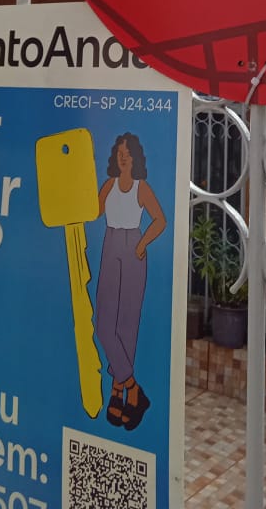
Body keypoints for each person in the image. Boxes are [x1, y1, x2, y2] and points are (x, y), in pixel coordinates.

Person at [96, 132, 166, 430]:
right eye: (119, 153)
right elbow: (93, 211)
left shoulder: (141, 188)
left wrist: (142, 244)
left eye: (127, 153)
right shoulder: (109, 185)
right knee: (104, 324)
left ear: (135, 157)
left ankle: (117, 391)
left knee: (127, 324)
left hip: (133, 249)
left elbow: (160, 220)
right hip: (110, 245)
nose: (123, 157)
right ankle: (133, 388)